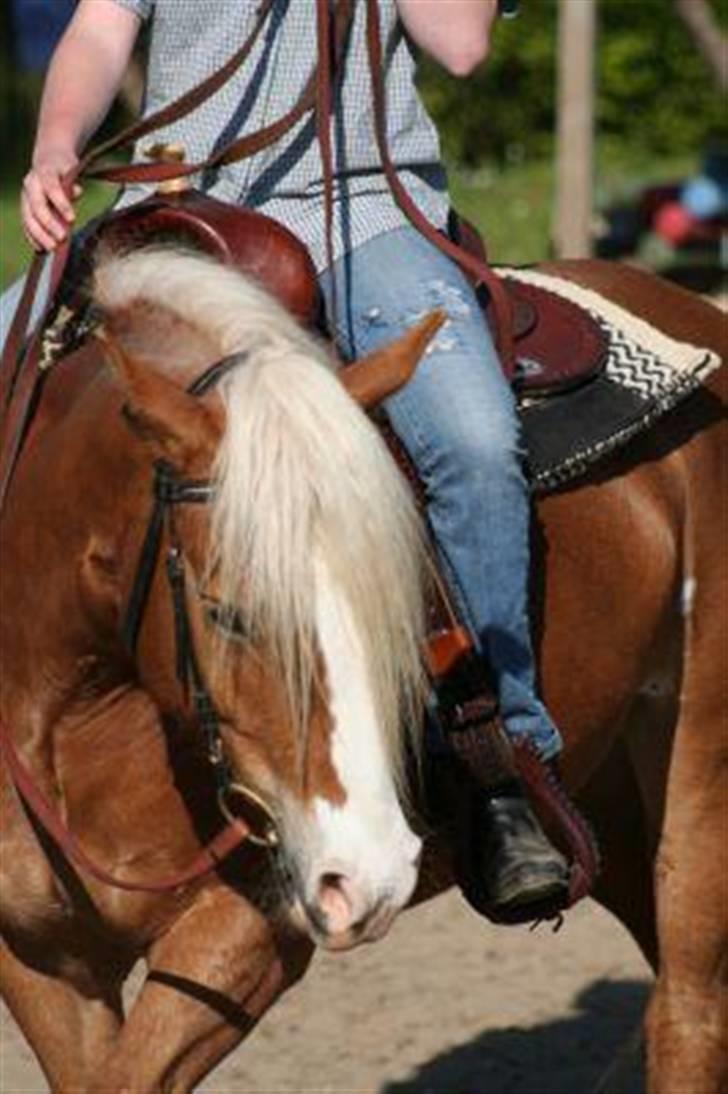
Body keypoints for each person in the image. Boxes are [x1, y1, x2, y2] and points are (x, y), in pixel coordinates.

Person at [18, 0, 574, 921]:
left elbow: (463, 46)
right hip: (173, 204)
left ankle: (498, 761)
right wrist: (54, 144)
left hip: (362, 210)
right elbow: (103, 23)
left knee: (474, 444)